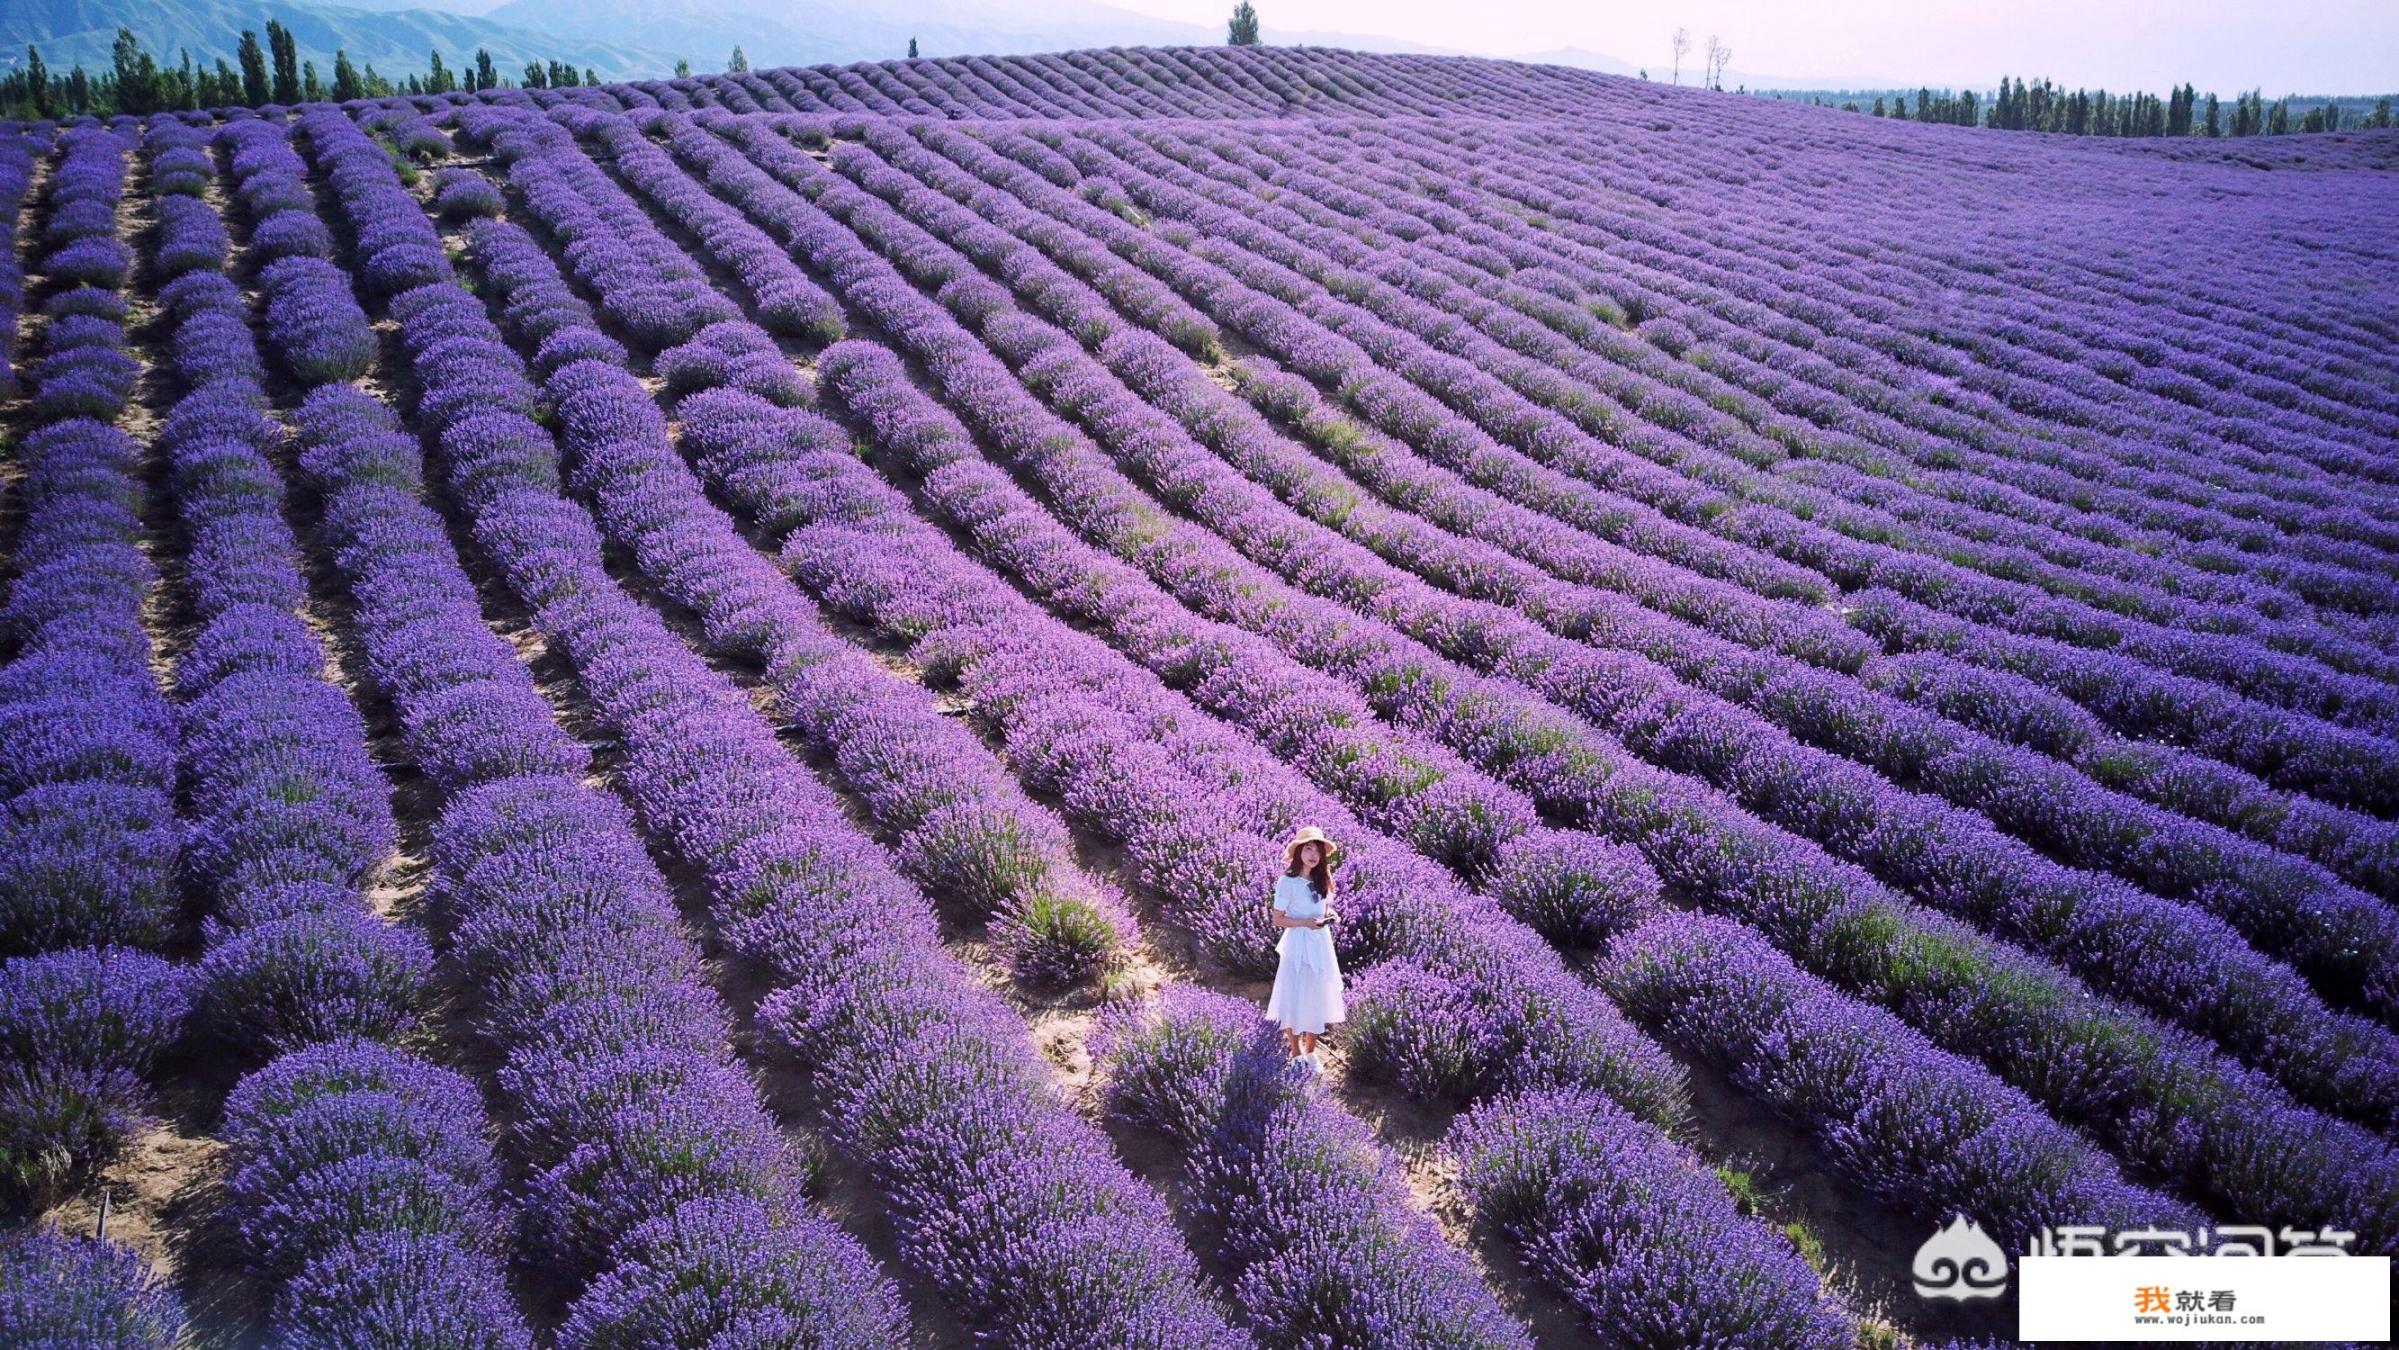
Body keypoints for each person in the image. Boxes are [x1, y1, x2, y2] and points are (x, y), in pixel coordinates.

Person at [1265, 825, 1346, 1069]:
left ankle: (1311, 1053)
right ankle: (1296, 1053)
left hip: (1321, 944)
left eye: (1317, 850)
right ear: (1299, 851)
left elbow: (1321, 908)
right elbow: (1278, 919)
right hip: (1298, 943)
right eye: (1308, 848)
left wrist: (1329, 914)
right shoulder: (1287, 882)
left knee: (1316, 996)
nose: (1313, 854)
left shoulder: (1322, 880)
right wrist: (1305, 923)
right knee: (1293, 996)